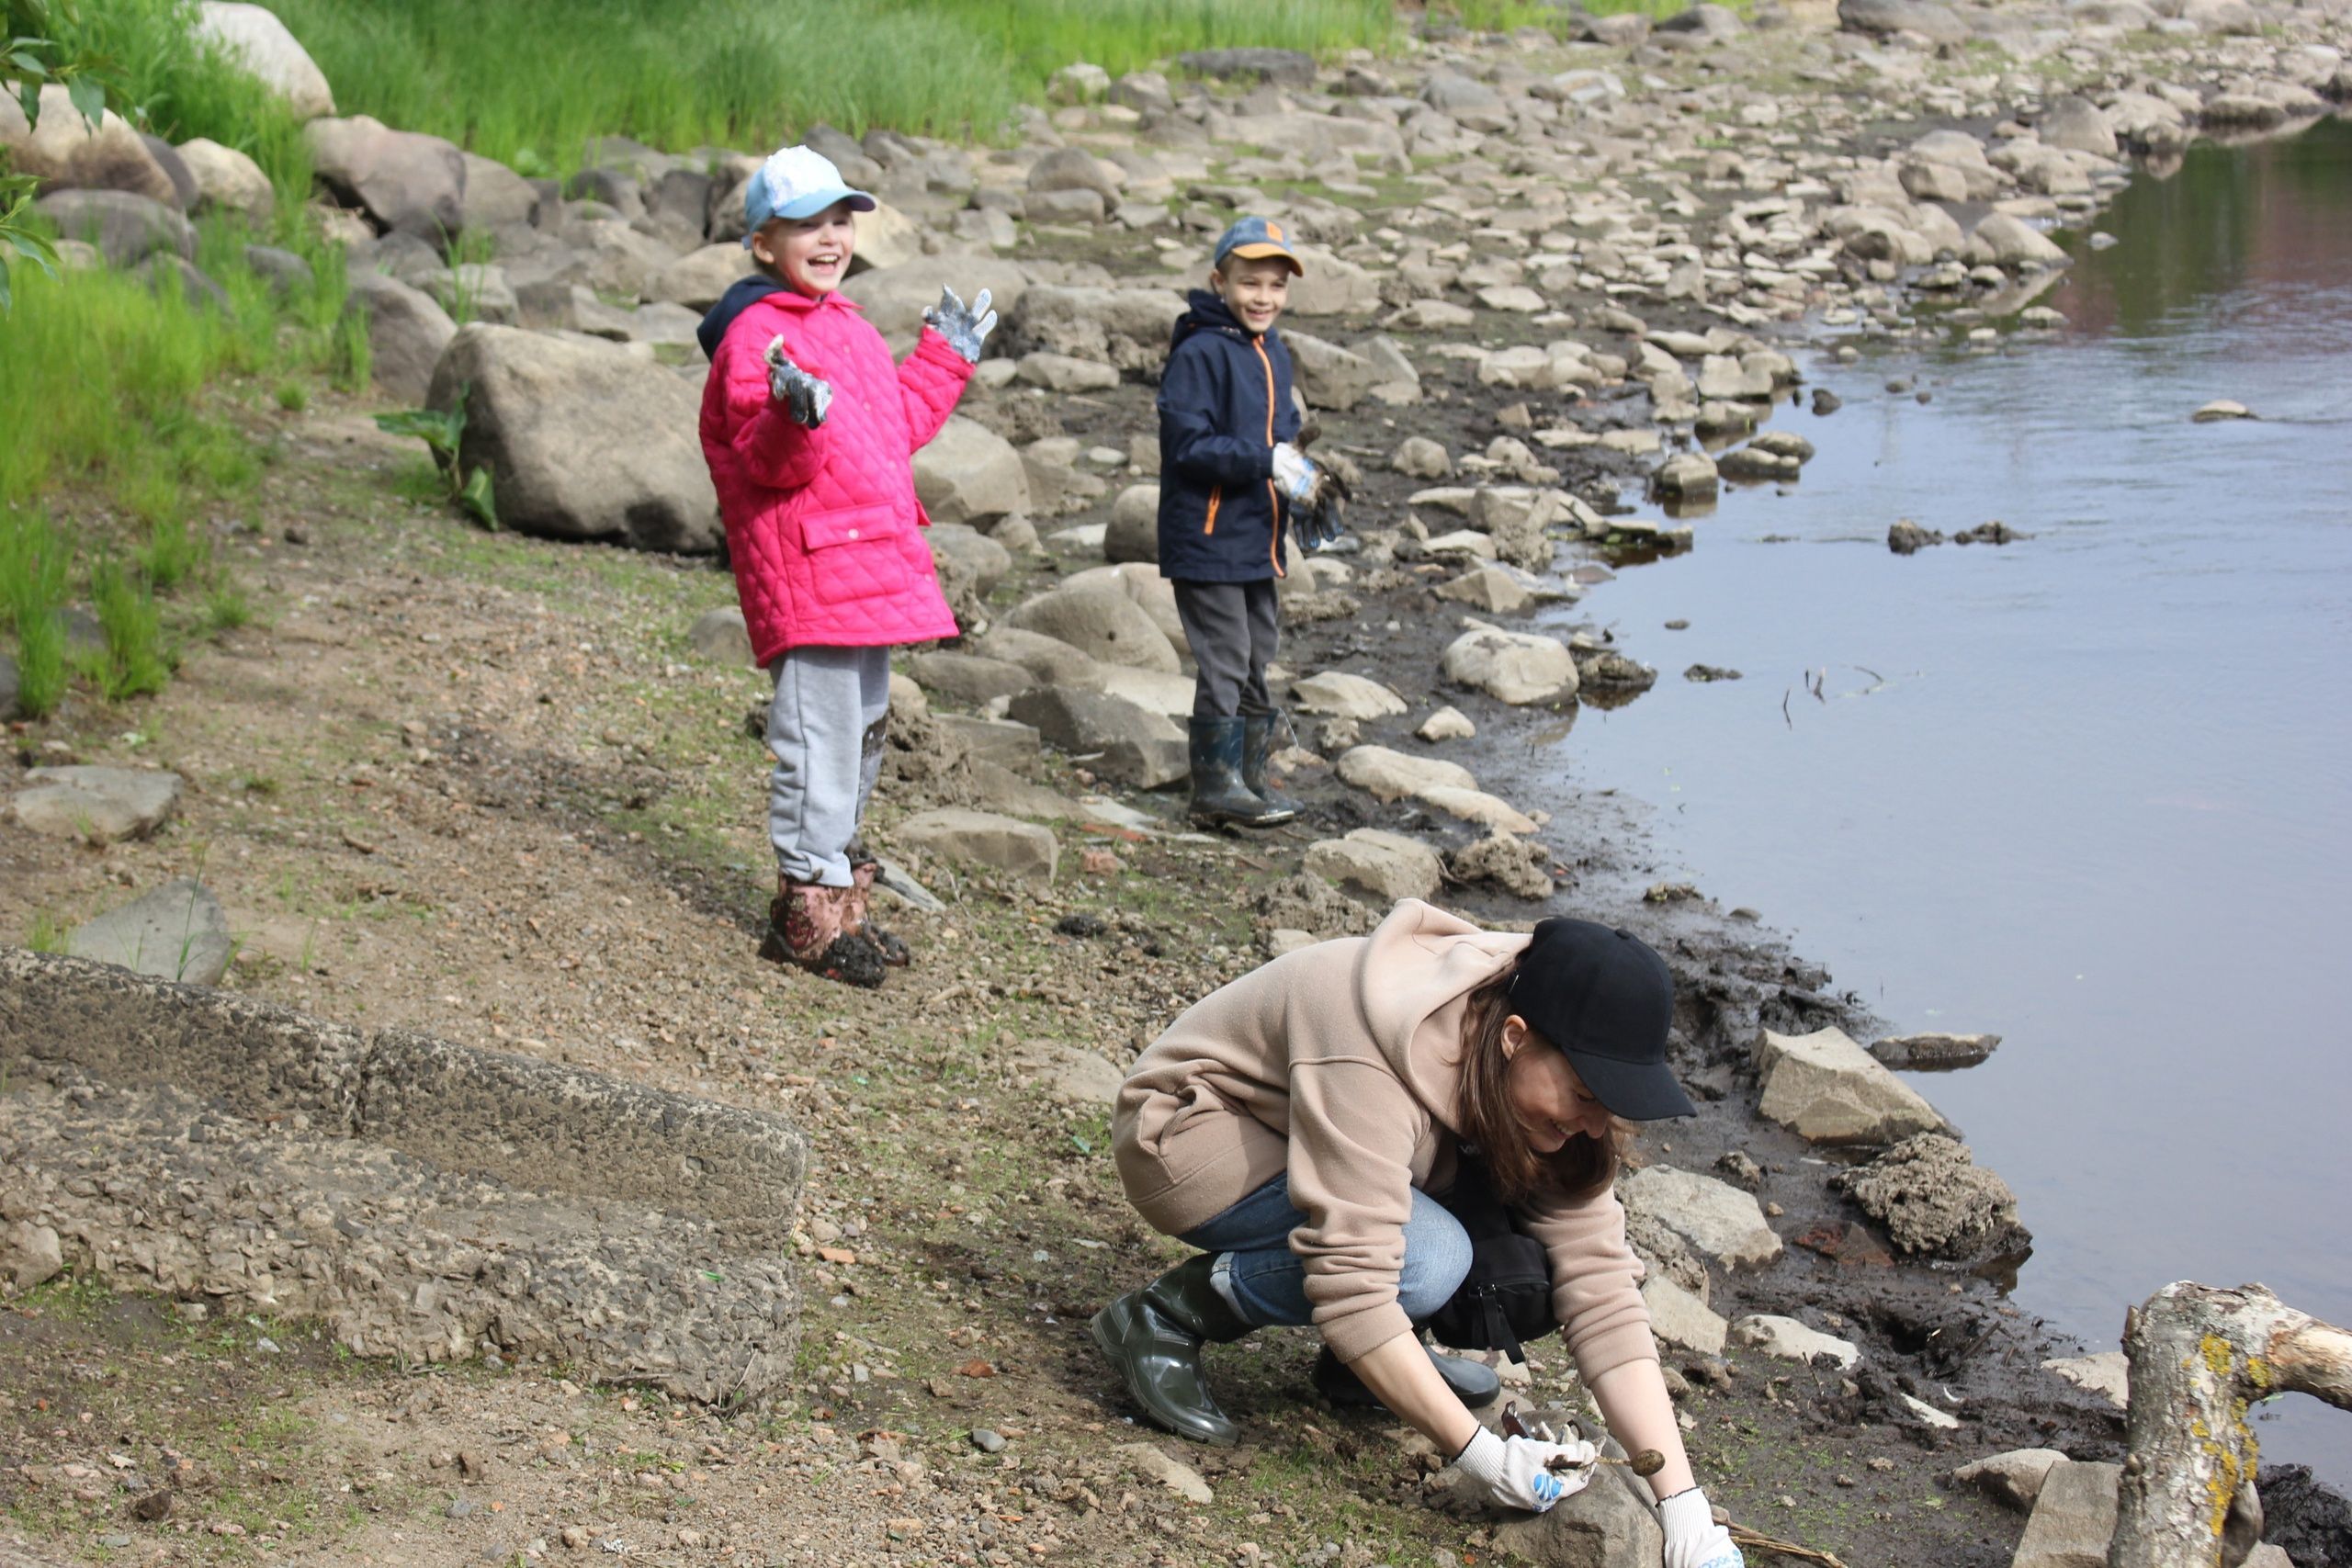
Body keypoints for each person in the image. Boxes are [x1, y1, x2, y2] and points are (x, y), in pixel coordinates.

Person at [1093, 900, 1744, 1566]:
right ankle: (1170, 1314)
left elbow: (1600, 1285)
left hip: (1319, 1140)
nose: (1596, 1124)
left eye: (1612, 1104)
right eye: (1584, 1096)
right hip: (1191, 1134)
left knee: (1516, 1257)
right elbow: (1356, 1290)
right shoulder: (1371, 1044)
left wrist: (1683, 1508)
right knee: (1428, 1256)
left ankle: (1361, 1370)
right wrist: (1483, 1455)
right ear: (1515, 1037)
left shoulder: (1537, 1064)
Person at [695, 144, 996, 988]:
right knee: (818, 739)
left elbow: (892, 427)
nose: (829, 238)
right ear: (763, 243)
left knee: (861, 733)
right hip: (813, 571)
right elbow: (769, 461)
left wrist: (945, 357)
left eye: (839, 221)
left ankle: (841, 887)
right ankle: (806, 907)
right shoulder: (755, 335)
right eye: (805, 225)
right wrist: (794, 414)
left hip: (868, 565)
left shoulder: (850, 327)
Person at [1153, 216, 1329, 832]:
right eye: (1250, 282)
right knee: (1225, 656)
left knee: (1259, 651)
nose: (1264, 297)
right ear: (1218, 280)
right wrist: (1266, 460)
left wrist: (1301, 479)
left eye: (1276, 286)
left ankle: (1250, 775)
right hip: (1205, 540)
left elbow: (1277, 438)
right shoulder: (1201, 351)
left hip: (1257, 538)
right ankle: (1215, 787)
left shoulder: (1271, 349)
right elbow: (1188, 446)